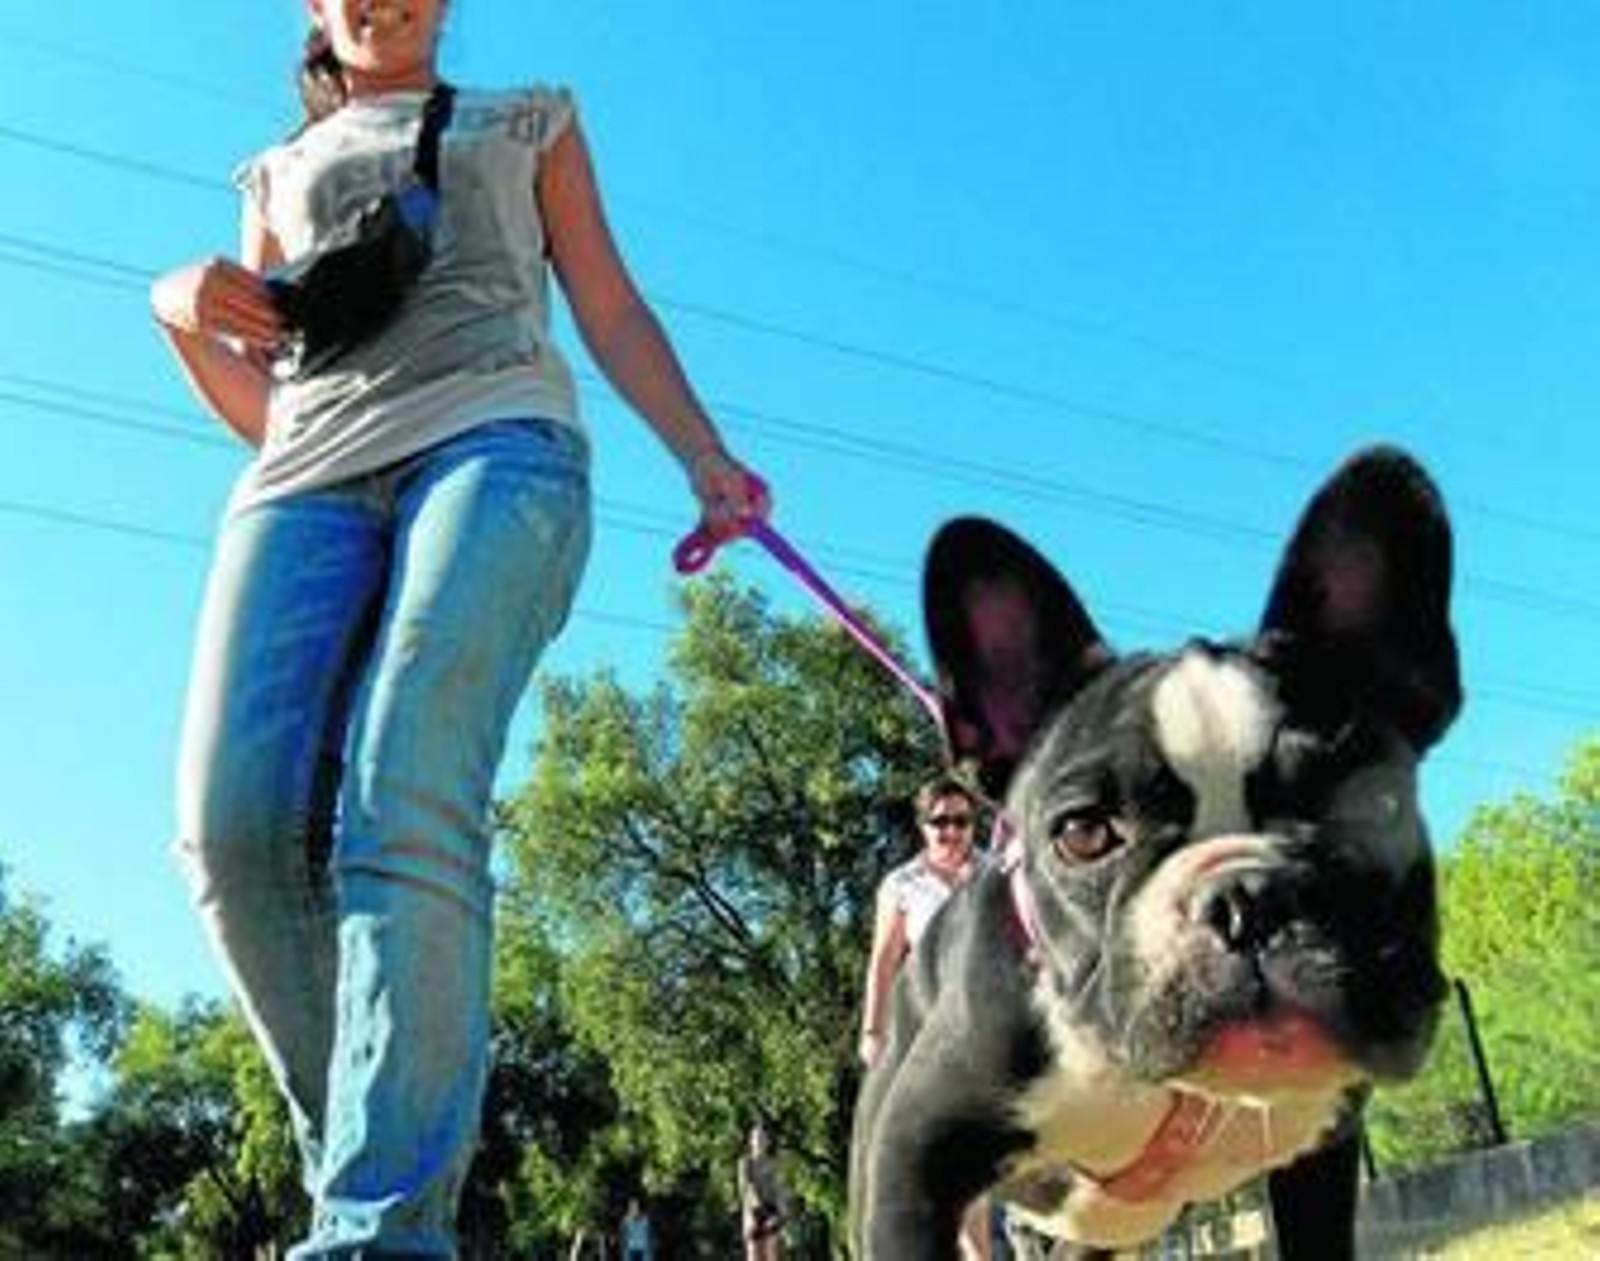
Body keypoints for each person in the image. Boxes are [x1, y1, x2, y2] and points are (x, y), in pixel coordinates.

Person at [149, 3, 769, 1256]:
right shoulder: (273, 173)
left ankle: (380, 1229)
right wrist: (175, 313)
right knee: (231, 831)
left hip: (497, 444)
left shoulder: (527, 119)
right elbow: (271, 405)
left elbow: (609, 306)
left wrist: (703, 453)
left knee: (404, 781)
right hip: (304, 482)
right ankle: (364, 1165)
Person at [859, 772, 992, 1260]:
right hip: (935, 1028)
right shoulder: (902, 885)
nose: (952, 832)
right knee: (955, 1146)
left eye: (962, 821)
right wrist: (872, 1030)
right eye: (941, 822)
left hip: (993, 1021)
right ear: (923, 826)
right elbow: (883, 960)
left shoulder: (997, 871)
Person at [736, 1122, 788, 1261]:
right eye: (756, 1138)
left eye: (763, 1138)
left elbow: (779, 1188)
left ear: (768, 1142)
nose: (759, 1142)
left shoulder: (774, 1163)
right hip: (753, 1212)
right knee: (754, 1254)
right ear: (751, 1141)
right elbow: (746, 1187)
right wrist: (758, 1210)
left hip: (771, 1210)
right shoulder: (745, 1163)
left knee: (772, 1254)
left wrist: (781, 1212)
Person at [620, 1197, 653, 1261]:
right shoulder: (625, 1221)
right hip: (631, 1249)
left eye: (635, 1206)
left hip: (642, 1249)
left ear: (638, 1207)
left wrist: (649, 1251)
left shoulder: (645, 1220)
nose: (634, 1209)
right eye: (632, 1207)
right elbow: (623, 1237)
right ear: (629, 1208)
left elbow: (649, 1236)